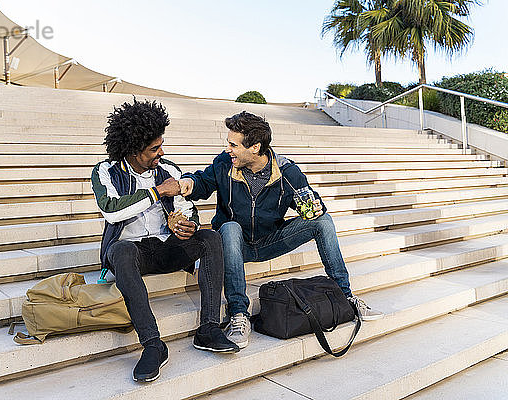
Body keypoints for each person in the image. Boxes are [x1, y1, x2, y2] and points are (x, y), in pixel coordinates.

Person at [179, 111, 383, 349]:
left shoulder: (286, 171)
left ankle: (346, 297)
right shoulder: (224, 164)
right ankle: (238, 314)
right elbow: (202, 182)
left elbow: (313, 205)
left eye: (233, 145)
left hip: (269, 241)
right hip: (234, 244)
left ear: (255, 147)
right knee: (230, 227)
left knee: (323, 221)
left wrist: (311, 205)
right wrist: (189, 183)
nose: (228, 149)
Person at [91, 99, 238, 383]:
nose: (161, 153)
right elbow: (112, 210)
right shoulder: (105, 171)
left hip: (165, 247)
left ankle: (208, 328)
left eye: (161, 145)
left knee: (209, 237)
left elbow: (188, 209)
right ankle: (152, 344)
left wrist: (187, 224)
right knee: (120, 250)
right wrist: (157, 192)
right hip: (133, 252)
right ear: (133, 149)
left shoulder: (169, 168)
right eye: (154, 149)